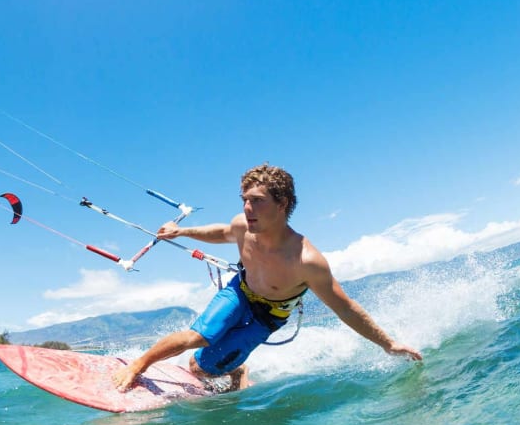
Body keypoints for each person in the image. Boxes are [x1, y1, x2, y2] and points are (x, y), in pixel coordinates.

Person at [113, 164, 422, 392]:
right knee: (198, 337)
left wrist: (389, 343)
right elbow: (221, 232)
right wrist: (182, 231)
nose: (247, 208)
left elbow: (344, 307)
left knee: (201, 367)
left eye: (257, 200)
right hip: (240, 292)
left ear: (282, 204)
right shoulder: (243, 226)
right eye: (244, 199)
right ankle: (140, 365)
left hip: (268, 316)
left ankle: (238, 370)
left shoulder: (306, 261)